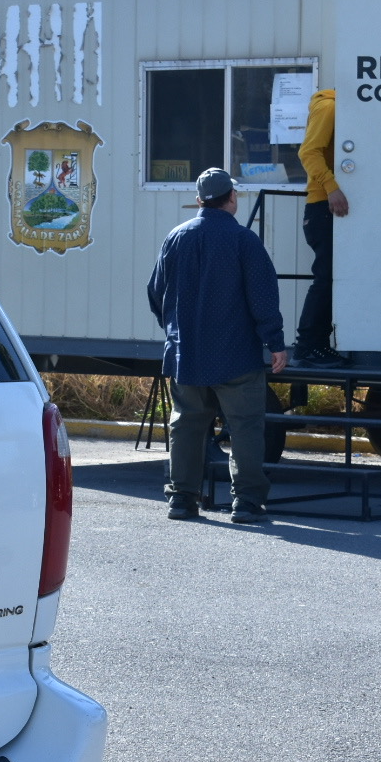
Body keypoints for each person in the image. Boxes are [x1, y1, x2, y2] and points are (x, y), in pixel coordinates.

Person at [147, 168, 288, 524]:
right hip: (236, 355)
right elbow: (263, 298)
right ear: (232, 198)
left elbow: (156, 292)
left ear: (199, 200)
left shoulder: (175, 237)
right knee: (245, 428)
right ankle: (247, 503)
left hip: (186, 353)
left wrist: (174, 330)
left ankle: (182, 499)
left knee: (187, 425)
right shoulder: (244, 240)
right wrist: (275, 342)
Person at [293, 88, 350, 368]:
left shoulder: (346, 108)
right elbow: (308, 151)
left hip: (329, 208)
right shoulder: (329, 107)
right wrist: (331, 187)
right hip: (321, 208)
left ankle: (317, 343)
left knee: (332, 277)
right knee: (325, 277)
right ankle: (307, 346)